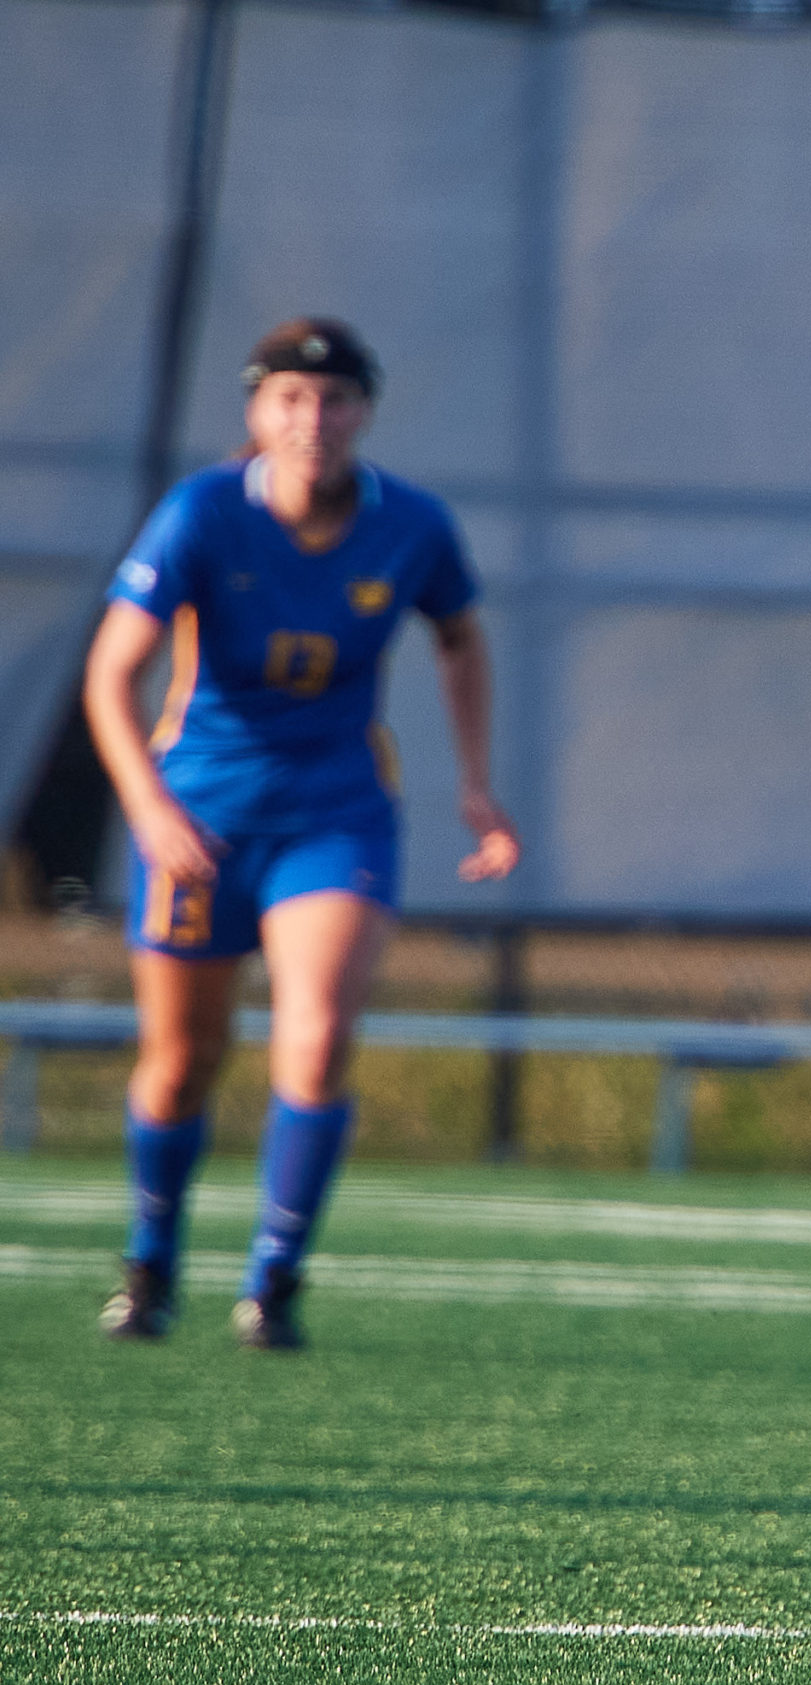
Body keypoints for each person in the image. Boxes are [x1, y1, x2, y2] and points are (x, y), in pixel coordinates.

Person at [85, 317, 519, 1351]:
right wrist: (149, 808)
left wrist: (475, 785)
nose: (312, 419)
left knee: (315, 1037)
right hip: (203, 816)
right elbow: (112, 674)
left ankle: (273, 1280)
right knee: (184, 1060)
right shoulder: (200, 513)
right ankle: (151, 1262)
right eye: (289, 398)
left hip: (335, 809)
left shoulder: (410, 524)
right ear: (256, 411)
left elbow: (460, 638)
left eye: (334, 401)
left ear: (365, 412)